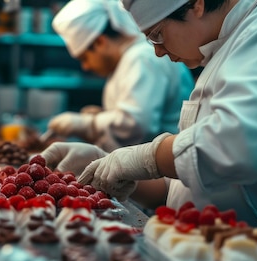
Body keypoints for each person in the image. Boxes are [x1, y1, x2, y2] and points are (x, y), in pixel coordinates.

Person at [43, 0, 257, 229]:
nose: (157, 52)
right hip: (222, 249)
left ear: (196, 3)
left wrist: (144, 158)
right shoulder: (227, 45)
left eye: (157, 35)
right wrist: (109, 167)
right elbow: (193, 174)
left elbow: (235, 148)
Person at [46, 0, 194, 152]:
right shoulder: (127, 59)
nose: (86, 66)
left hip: (163, 168)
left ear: (100, 42)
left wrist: (90, 124)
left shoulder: (141, 57)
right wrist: (104, 116)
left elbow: (137, 125)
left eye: (84, 58)